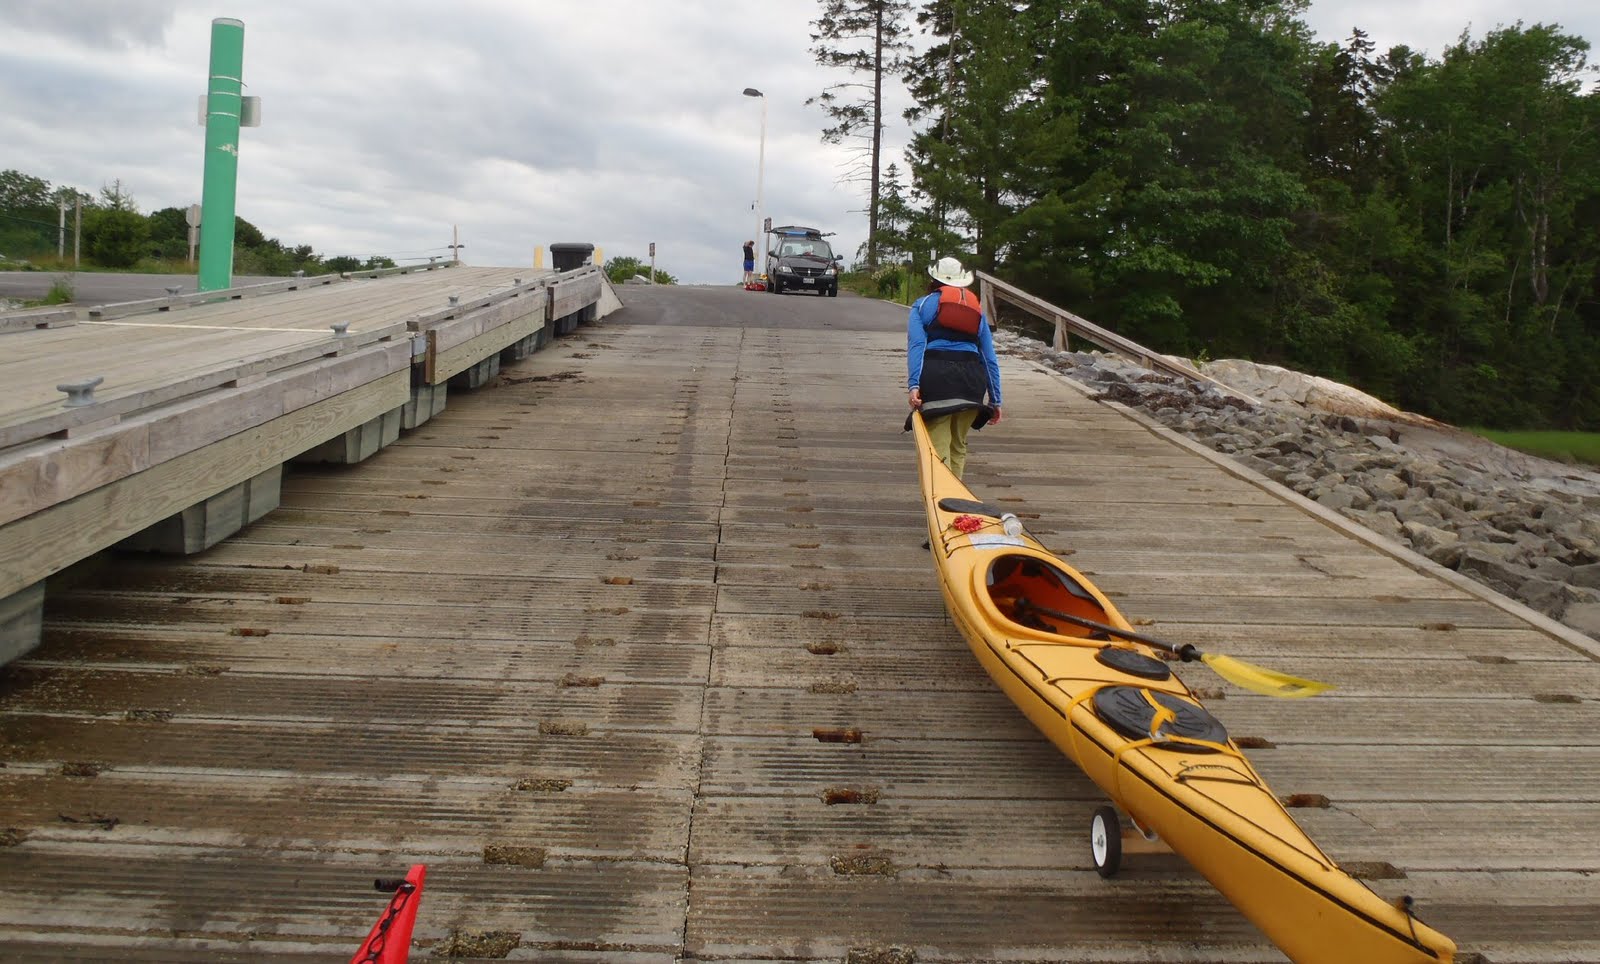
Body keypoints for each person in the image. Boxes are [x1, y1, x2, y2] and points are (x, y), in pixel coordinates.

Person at [907, 255, 1002, 480]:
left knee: (938, 448)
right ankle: (956, 496)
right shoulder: (976, 310)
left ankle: (942, 497)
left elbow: (917, 346)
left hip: (937, 379)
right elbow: (988, 358)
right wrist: (995, 399)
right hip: (972, 381)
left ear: (933, 279)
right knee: (958, 446)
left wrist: (914, 385)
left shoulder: (922, 305)